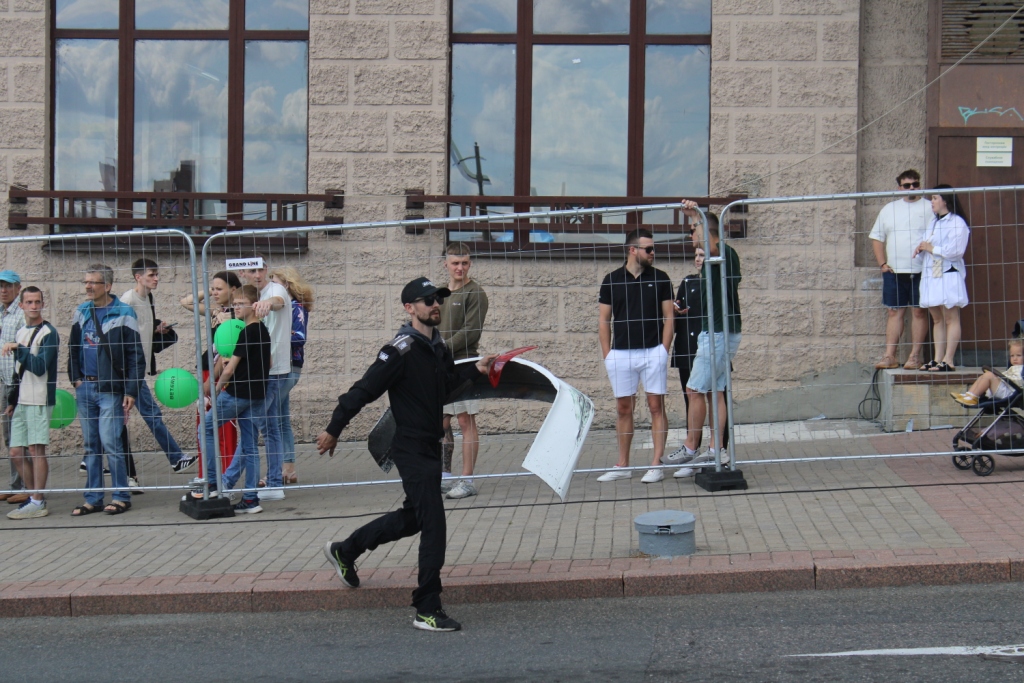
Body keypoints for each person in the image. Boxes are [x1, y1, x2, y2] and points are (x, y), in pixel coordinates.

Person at [318, 277, 496, 632]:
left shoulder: (438, 347)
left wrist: (475, 371)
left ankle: (345, 550)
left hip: (430, 444)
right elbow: (363, 390)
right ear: (409, 308)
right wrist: (334, 428)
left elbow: (445, 388)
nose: (436, 304)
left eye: (438, 299)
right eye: (428, 300)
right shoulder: (399, 350)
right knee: (434, 524)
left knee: (415, 518)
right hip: (410, 448)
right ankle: (427, 608)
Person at [663, 205, 742, 478]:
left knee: (693, 389)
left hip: (719, 333)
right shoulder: (714, 256)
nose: (690, 236)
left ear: (705, 231)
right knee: (715, 391)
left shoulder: (723, 252)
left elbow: (711, 243)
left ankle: (690, 447)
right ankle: (716, 449)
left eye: (692, 230)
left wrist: (696, 216)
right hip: (716, 332)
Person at [597, 228, 675, 483]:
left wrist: (663, 350)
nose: (653, 253)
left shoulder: (661, 279)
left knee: (656, 406)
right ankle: (623, 464)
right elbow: (604, 320)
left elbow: (669, 317)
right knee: (623, 408)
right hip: (621, 354)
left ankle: (656, 464)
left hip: (653, 352)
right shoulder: (611, 280)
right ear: (632, 250)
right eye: (648, 249)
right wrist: (608, 355)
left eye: (653, 249)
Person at [68, 264, 145, 516]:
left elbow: (135, 356)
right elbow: (73, 348)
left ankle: (121, 496)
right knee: (91, 446)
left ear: (108, 286)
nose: (88, 286)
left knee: (111, 443)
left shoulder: (124, 312)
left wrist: (131, 391)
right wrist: (76, 379)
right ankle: (93, 498)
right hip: (85, 387)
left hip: (110, 388)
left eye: (93, 282)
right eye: (86, 282)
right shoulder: (82, 311)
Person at [193, 285, 270, 514]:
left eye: (241, 304)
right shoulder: (263, 330)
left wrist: (214, 391)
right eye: (234, 304)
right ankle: (251, 500)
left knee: (205, 429)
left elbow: (229, 369)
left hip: (237, 394)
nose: (236, 308)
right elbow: (269, 362)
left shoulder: (246, 332)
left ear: (253, 305)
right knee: (249, 446)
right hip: (257, 395)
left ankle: (212, 482)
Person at [119, 258, 195, 473]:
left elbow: (140, 327)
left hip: (137, 367)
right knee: (151, 414)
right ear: (138, 277)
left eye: (156, 274)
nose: (156, 278)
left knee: (115, 419)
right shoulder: (128, 300)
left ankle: (91, 460)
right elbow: (119, 333)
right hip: (128, 369)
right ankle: (176, 458)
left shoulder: (148, 298)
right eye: (151, 275)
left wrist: (156, 328)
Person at [238, 254, 291, 501]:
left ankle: (225, 481)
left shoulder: (275, 289)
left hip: (274, 372)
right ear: (243, 274)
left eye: (260, 269)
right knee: (270, 428)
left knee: (252, 426)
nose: (257, 275)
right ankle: (274, 484)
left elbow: (278, 301)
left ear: (267, 269)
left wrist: (267, 303)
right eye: (252, 270)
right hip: (262, 372)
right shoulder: (248, 295)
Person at [438, 243, 489, 499]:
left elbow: (470, 333)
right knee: (441, 421)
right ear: (445, 264)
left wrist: (440, 348)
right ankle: (444, 476)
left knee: (465, 420)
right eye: (455, 263)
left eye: (465, 263)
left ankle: (468, 480)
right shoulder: (439, 293)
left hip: (465, 364)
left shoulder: (475, 293)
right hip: (441, 366)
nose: (460, 268)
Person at [3, 287, 58, 519]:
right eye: (29, 302)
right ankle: (35, 497)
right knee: (16, 451)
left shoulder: (49, 332)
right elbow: (19, 372)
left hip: (39, 398)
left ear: (42, 304)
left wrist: (21, 349)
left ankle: (37, 500)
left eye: (37, 302)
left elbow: (39, 367)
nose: (34, 306)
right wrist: (12, 400)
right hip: (23, 400)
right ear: (22, 305)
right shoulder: (21, 332)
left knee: (36, 449)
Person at [869, 169, 931, 371]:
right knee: (894, 312)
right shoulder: (889, 209)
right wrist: (882, 264)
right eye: (907, 185)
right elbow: (877, 237)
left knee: (919, 312)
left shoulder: (929, 207)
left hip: (922, 270)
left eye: (915, 184)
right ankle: (890, 356)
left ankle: (915, 357)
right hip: (894, 271)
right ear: (899, 187)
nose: (912, 188)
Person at [182, 270, 241, 476]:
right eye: (213, 289)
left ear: (233, 290)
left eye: (219, 289)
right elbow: (186, 302)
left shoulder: (237, 315)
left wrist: (214, 379)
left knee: (223, 428)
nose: (215, 293)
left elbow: (228, 354)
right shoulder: (218, 311)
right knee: (204, 427)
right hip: (207, 368)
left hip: (221, 373)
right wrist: (211, 291)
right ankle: (205, 476)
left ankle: (225, 476)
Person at [913, 185, 970, 372]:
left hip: (948, 273)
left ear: (945, 200)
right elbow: (927, 244)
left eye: (935, 198)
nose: (932, 202)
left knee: (950, 317)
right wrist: (921, 248)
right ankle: (937, 359)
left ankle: (949, 359)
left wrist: (932, 248)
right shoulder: (933, 223)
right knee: (937, 318)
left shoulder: (957, 223)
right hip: (932, 274)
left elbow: (956, 251)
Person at [269, 266, 314, 485]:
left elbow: (299, 337)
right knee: (280, 418)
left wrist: (274, 338)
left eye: (275, 283)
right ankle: (288, 468)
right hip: (281, 367)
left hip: (290, 366)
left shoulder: (296, 307)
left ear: (286, 285)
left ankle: (276, 469)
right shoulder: (282, 308)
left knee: (269, 415)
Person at [0, 269, 28, 505]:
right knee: (9, 437)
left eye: (8, 286)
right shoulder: (2, 313)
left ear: (18, 288)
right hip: (3, 381)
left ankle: (29, 487)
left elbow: (24, 346)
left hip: (16, 382)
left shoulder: (21, 314)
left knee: (21, 438)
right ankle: (15, 485)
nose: (4, 290)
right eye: (1, 286)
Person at [951, 339, 1023, 406]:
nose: (1015, 358)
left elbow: (1018, 381)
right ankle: (969, 394)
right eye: (1012, 356)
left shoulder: (1022, 369)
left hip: (1011, 393)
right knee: (985, 375)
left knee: (989, 375)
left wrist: (1000, 377)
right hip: (1007, 389)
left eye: (1018, 355)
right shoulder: (1013, 368)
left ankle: (972, 397)